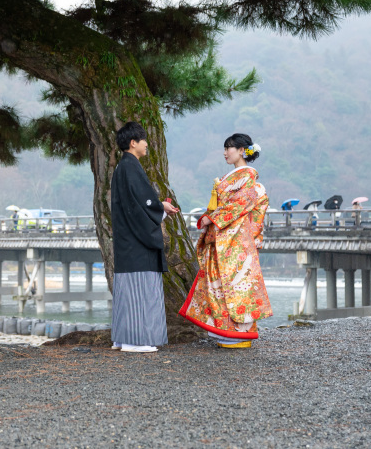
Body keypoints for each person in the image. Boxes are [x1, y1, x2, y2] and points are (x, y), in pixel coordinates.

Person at [179, 133, 272, 348]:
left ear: (242, 150)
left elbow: (241, 202)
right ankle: (225, 331)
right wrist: (209, 217)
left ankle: (239, 334)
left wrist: (211, 218)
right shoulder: (232, 176)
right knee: (220, 285)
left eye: (228, 148)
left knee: (237, 286)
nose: (225, 152)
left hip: (235, 241)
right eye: (224, 148)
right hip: (225, 237)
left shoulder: (248, 175)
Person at [111, 122, 179, 353]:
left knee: (127, 291)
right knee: (140, 289)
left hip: (127, 240)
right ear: (133, 143)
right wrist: (159, 210)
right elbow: (142, 203)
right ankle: (135, 341)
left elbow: (138, 202)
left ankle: (123, 338)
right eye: (143, 140)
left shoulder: (124, 167)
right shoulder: (130, 167)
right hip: (137, 242)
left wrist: (159, 206)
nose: (147, 144)